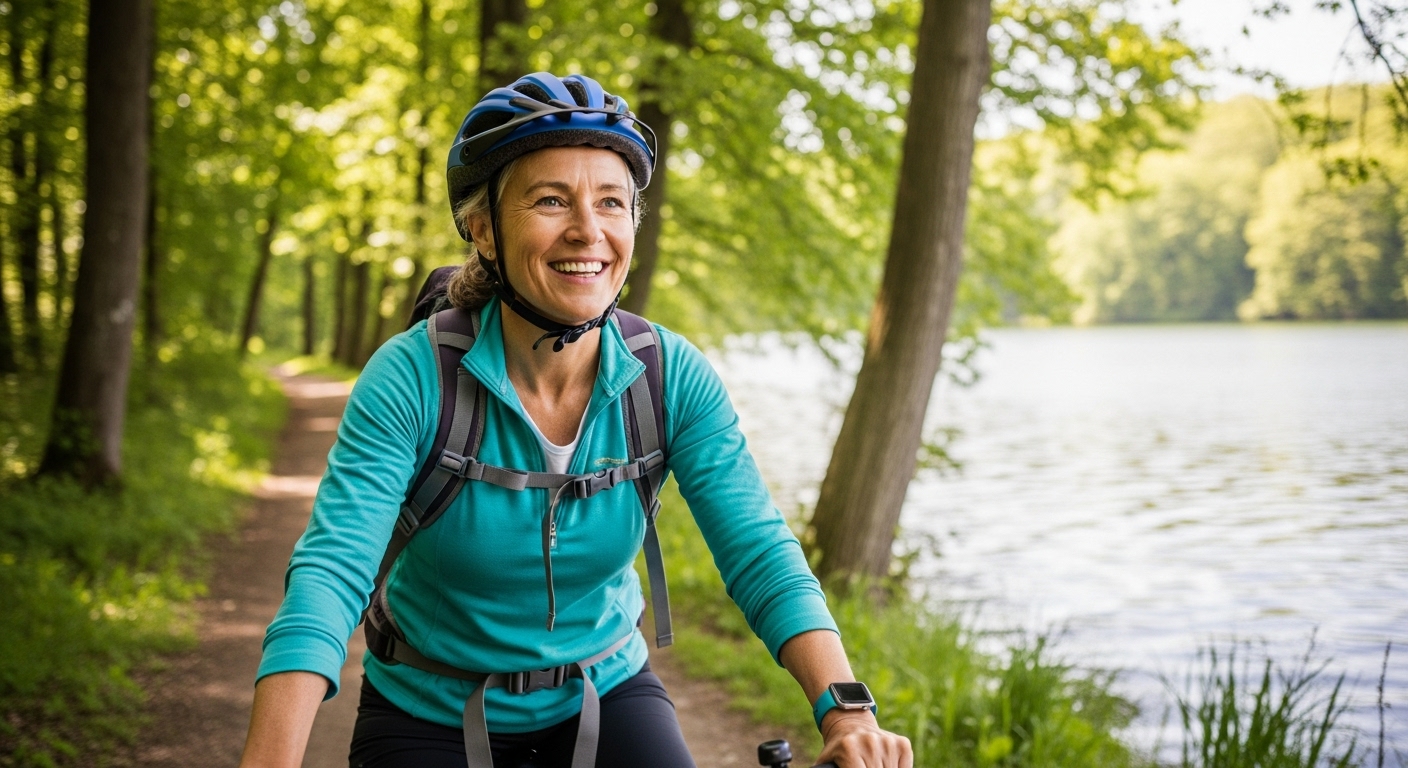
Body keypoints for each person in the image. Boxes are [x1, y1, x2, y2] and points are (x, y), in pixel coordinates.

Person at [238, 72, 912, 768]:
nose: (588, 230)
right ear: (484, 230)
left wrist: (847, 711)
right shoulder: (412, 377)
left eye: (612, 202)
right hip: (427, 706)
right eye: (551, 200)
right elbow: (331, 574)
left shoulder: (667, 376)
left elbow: (759, 550)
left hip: (605, 688)